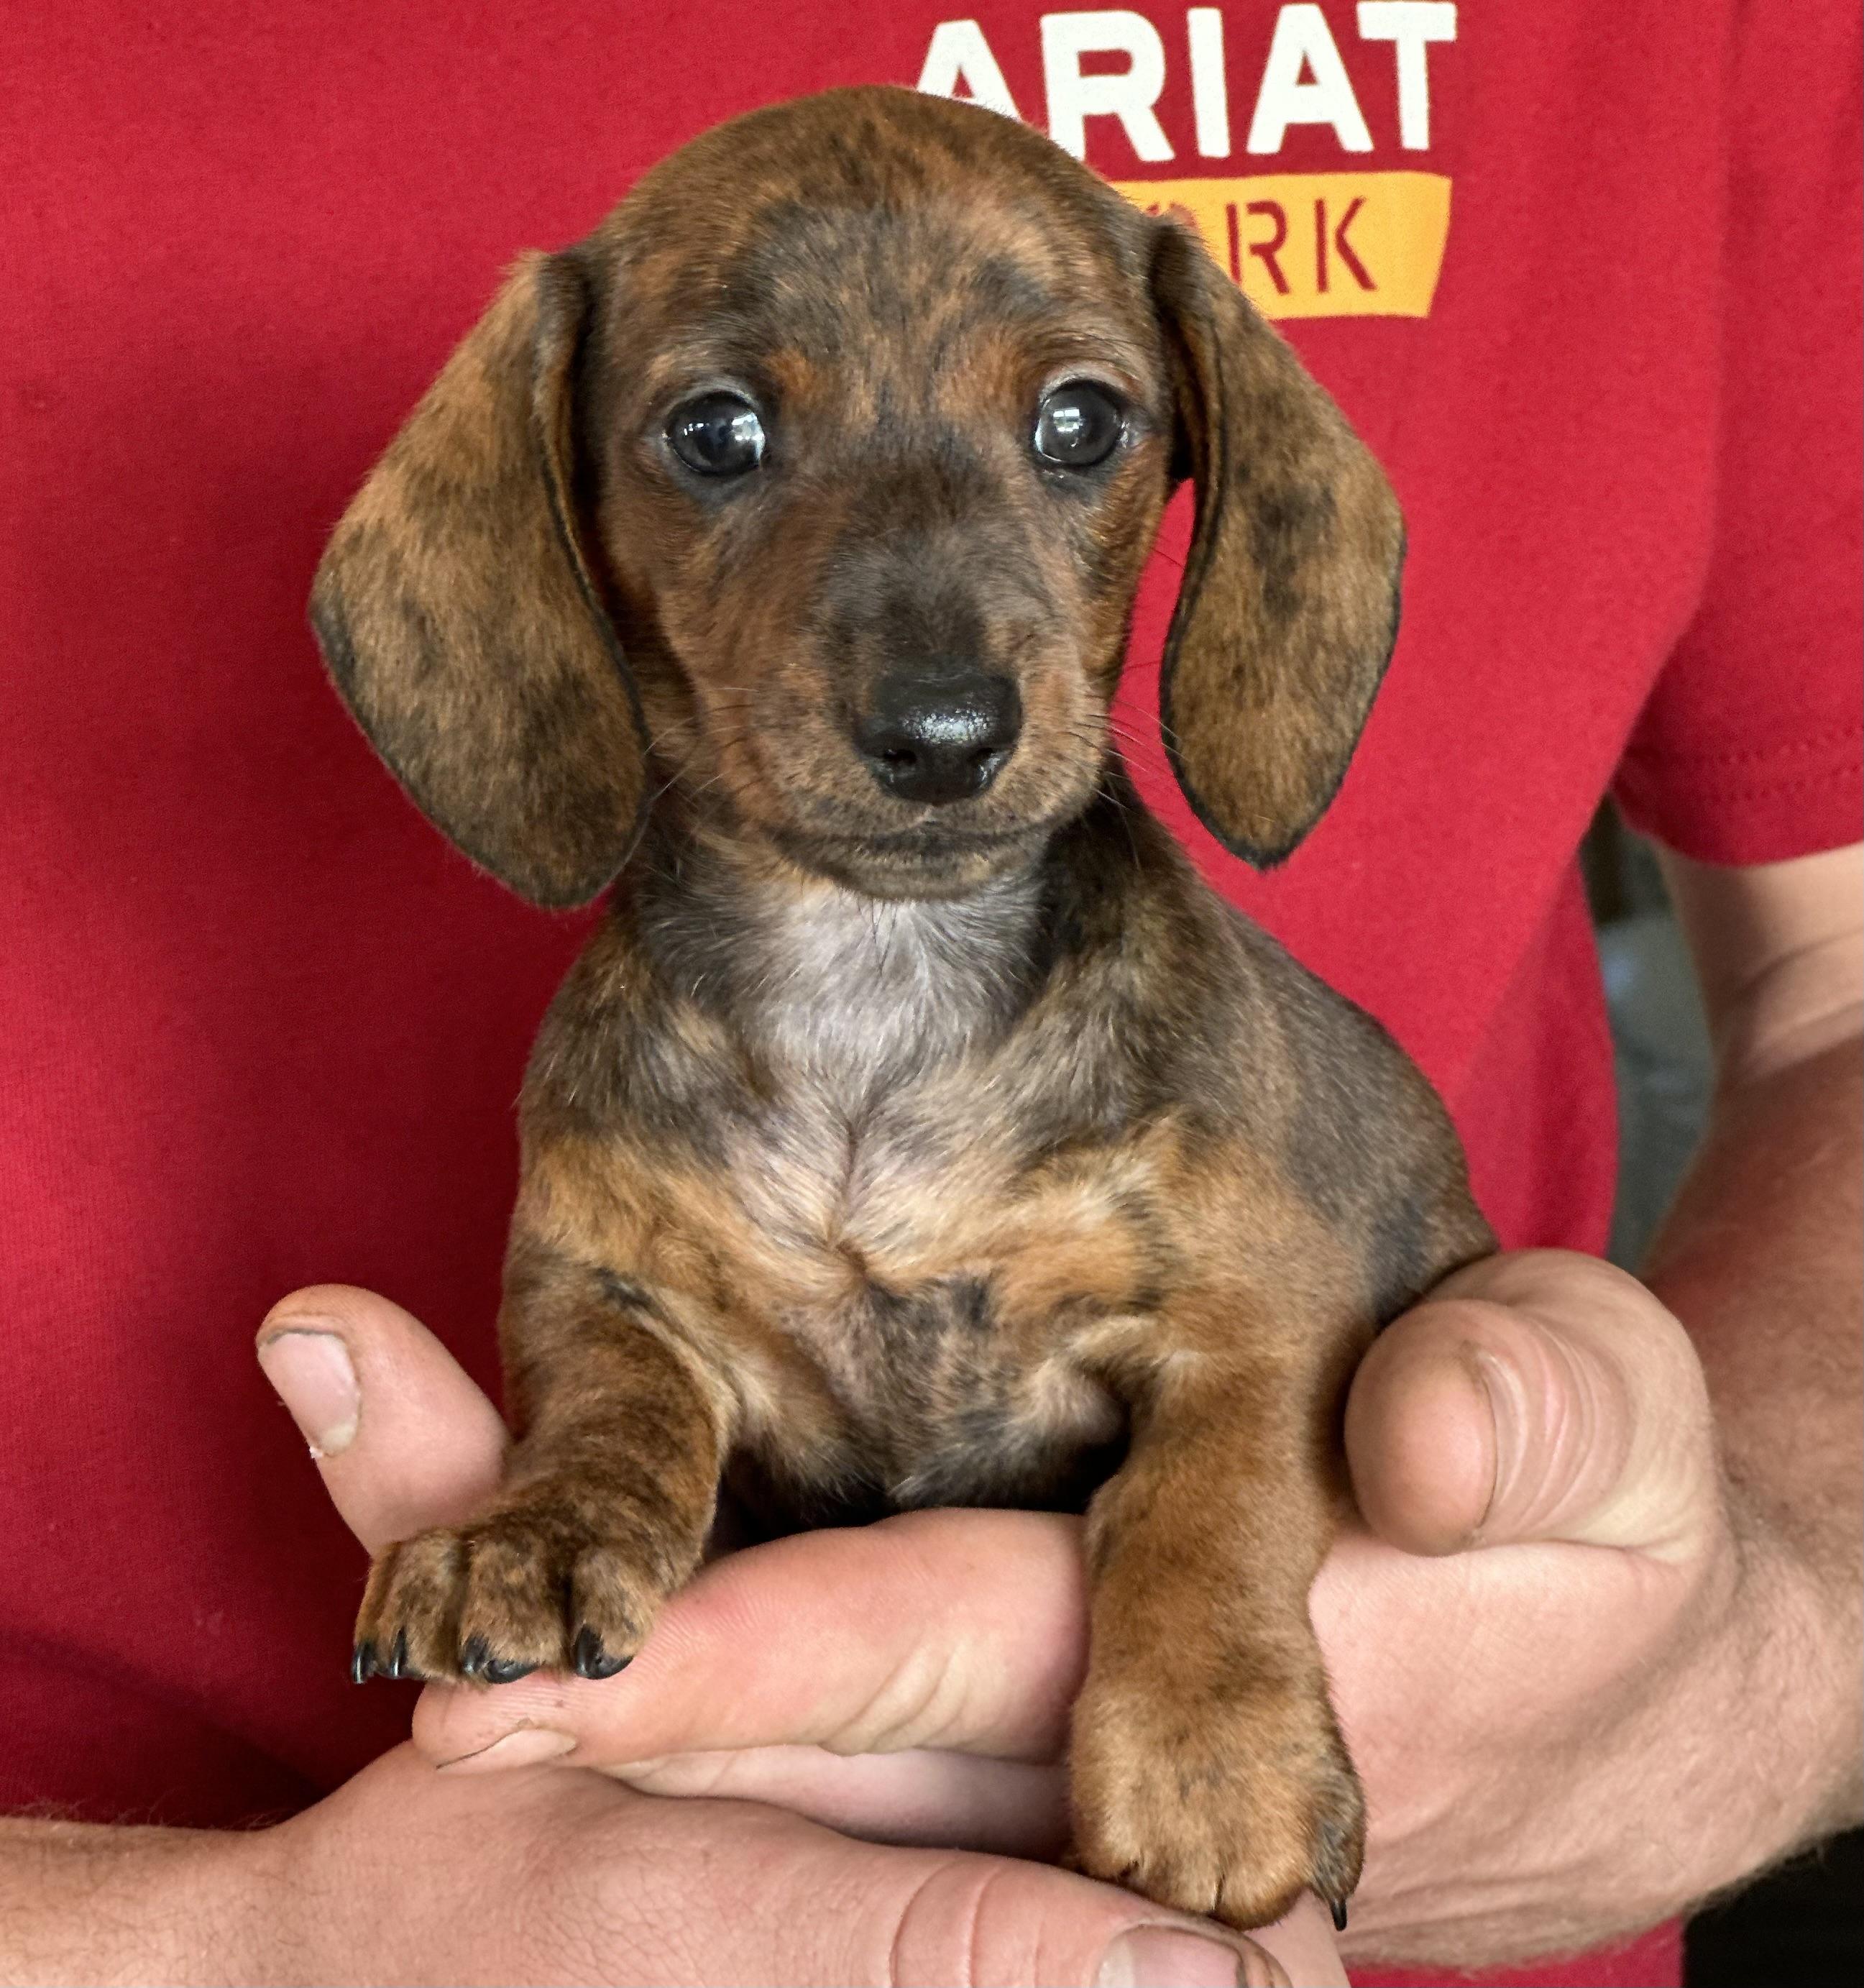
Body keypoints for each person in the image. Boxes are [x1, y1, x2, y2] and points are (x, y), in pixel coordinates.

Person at [1, 3, 1856, 1983]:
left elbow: (1830, 993)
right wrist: (236, 1942)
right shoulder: (621, 1126)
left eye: (1072, 432)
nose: (942, 692)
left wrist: (1771, 1654)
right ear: (564, 509)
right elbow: (619, 1302)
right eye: (723, 440)